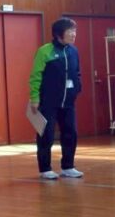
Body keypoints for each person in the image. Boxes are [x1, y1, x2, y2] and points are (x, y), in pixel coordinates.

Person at [28, 18, 84, 180]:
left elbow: (77, 72)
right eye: (70, 31)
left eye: (75, 31)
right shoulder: (44, 51)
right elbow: (35, 76)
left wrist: (78, 87)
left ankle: (68, 166)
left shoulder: (73, 51)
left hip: (68, 102)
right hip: (48, 102)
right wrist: (34, 98)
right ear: (59, 34)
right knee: (47, 134)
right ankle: (45, 168)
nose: (74, 34)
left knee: (70, 133)